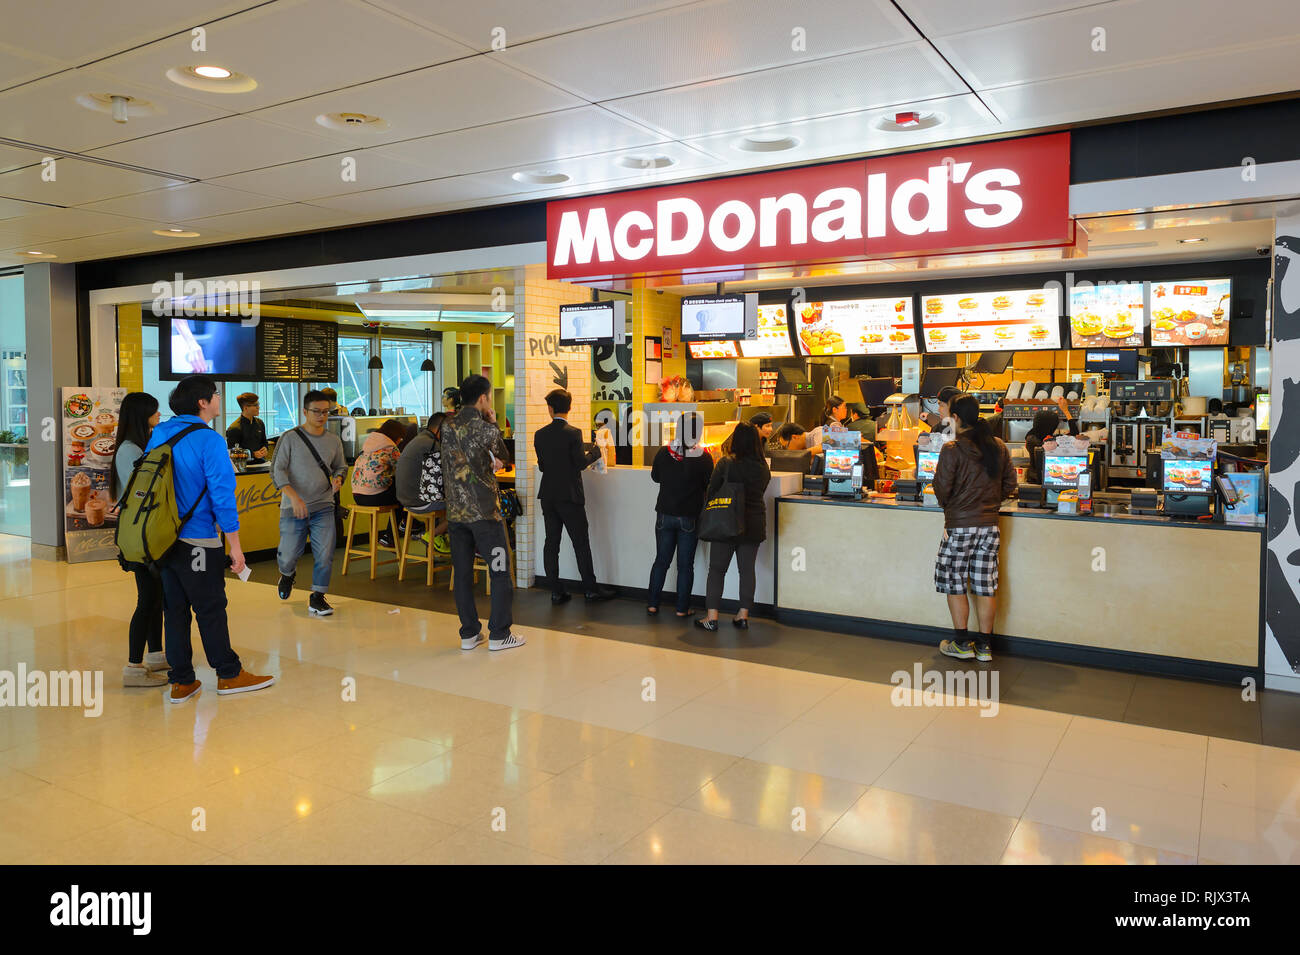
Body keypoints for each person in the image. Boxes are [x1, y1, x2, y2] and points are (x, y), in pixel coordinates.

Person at [145, 375, 274, 702]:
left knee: (174, 610)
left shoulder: (160, 433)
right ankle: (229, 674)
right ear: (203, 402)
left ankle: (182, 681)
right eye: (215, 394)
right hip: (199, 540)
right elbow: (222, 496)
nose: (219, 399)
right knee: (211, 608)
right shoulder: (210, 440)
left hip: (164, 540)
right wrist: (235, 547)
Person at [932, 396, 1018, 663]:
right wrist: (990, 504)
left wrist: (953, 508)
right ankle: (984, 647)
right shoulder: (999, 447)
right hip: (990, 526)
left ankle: (961, 643)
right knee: (985, 586)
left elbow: (941, 489)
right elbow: (1010, 485)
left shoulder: (952, 449)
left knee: (954, 583)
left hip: (959, 527)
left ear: (956, 418)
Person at [441, 374, 521, 650]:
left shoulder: (446, 425)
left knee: (462, 573)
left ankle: (469, 634)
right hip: (486, 514)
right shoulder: (487, 430)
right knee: (499, 570)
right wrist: (494, 421)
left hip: (455, 513)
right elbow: (503, 457)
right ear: (484, 398)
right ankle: (499, 634)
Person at [535, 387, 614, 604]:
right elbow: (580, 463)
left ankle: (555, 590)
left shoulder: (540, 435)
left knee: (551, 542)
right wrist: (596, 452)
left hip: (548, 496)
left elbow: (542, 467)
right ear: (569, 408)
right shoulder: (574, 433)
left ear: (550, 409)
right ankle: (590, 589)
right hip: (570, 496)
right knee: (580, 543)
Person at [274, 390, 348, 617]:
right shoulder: (290, 438)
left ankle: (317, 597)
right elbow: (277, 470)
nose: (322, 416)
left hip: (323, 505)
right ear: (305, 412)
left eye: (326, 411)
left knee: (325, 554)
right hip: (293, 507)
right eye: (316, 411)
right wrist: (294, 497)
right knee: (288, 556)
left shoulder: (333, 440)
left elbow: (341, 466)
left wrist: (338, 478)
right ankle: (287, 574)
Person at [111, 392, 167, 688]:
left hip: (146, 531)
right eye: (154, 412)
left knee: (156, 595)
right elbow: (143, 492)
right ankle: (133, 667)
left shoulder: (139, 446)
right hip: (139, 534)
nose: (159, 416)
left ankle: (156, 654)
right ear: (141, 416)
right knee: (147, 598)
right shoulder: (129, 451)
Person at [696, 421, 771, 632]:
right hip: (754, 522)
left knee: (717, 570)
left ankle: (712, 617)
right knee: (747, 571)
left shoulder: (726, 463)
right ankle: (743, 615)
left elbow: (711, 491)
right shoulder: (762, 466)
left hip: (726, 521)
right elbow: (762, 489)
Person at [647, 411, 713, 617]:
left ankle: (652, 604)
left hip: (664, 514)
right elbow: (708, 484)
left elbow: (655, 477)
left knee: (661, 561)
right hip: (688, 516)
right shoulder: (704, 457)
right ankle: (682, 609)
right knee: (685, 566)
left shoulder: (664, 452)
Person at [395, 412, 450, 554]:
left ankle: (438, 538)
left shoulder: (420, 439)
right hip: (420, 501)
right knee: (467, 506)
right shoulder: (432, 445)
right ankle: (432, 535)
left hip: (406, 500)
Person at [351, 418, 409, 548]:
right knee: (402, 491)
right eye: (401, 438)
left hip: (357, 496)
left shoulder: (368, 445)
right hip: (374, 497)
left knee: (396, 488)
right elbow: (403, 470)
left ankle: (406, 522)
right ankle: (392, 534)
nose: (400, 441)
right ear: (396, 436)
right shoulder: (390, 448)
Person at [1024, 396, 1079, 484]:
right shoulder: (1046, 441)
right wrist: (1066, 411)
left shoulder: (1030, 437)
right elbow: (1074, 435)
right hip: (1042, 480)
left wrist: (1065, 410)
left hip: (1039, 479)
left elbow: (1074, 435)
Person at [225, 392, 268, 462]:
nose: (258, 407)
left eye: (258, 404)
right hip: (244, 466)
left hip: (262, 463)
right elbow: (232, 453)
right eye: (255, 405)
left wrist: (265, 449)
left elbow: (264, 442)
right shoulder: (234, 428)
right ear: (245, 408)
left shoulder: (260, 423)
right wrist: (252, 454)